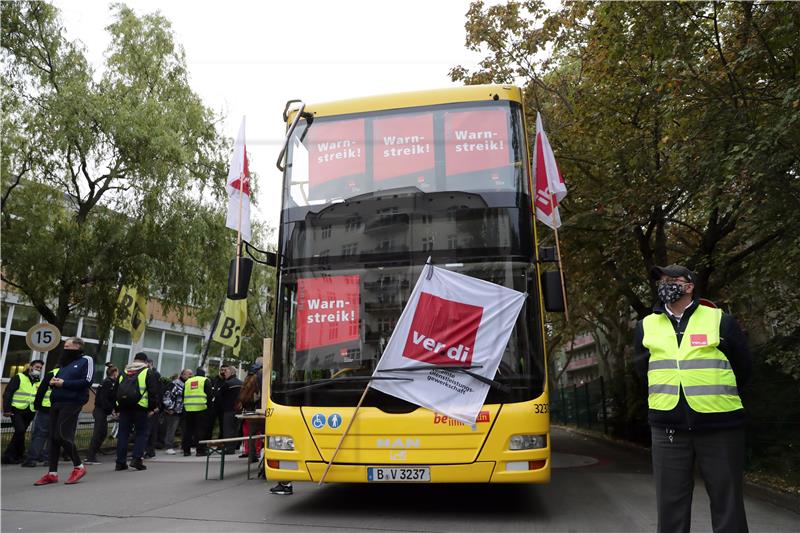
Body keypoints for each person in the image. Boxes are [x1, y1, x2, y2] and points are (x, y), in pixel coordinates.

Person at [634, 264, 752, 533]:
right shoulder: (645, 326)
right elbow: (644, 372)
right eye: (662, 280)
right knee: (670, 506)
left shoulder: (720, 320)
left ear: (689, 286)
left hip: (721, 427)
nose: (665, 284)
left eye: (672, 279)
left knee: (728, 503)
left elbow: (743, 368)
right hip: (668, 429)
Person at [34, 338, 93, 485]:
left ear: (77, 346)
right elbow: (59, 380)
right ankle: (52, 473)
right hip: (56, 401)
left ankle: (79, 466)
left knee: (60, 435)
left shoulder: (86, 360)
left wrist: (64, 383)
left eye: (67, 346)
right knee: (53, 437)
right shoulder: (65, 363)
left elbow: (87, 381)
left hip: (72, 402)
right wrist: (53, 383)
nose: (64, 348)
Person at [114, 352, 159, 471]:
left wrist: (117, 409)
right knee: (142, 433)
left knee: (123, 434)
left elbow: (116, 391)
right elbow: (153, 393)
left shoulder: (124, 372)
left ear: (134, 360)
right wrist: (151, 408)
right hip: (140, 408)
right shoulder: (147, 372)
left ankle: (120, 462)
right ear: (145, 362)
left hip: (124, 407)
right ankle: (136, 459)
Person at [2, 360, 44, 464]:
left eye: (40, 368)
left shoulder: (38, 380)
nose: (38, 369)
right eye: (37, 367)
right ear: (30, 367)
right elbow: (8, 393)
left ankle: (9, 456)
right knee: (20, 431)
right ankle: (19, 454)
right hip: (17, 409)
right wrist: (7, 409)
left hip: (30, 411)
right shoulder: (19, 377)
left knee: (19, 433)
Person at [23, 364, 60, 467]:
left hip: (45, 409)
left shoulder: (52, 373)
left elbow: (41, 390)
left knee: (39, 435)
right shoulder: (70, 374)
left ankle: (31, 459)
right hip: (60, 410)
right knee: (53, 435)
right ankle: (48, 459)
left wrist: (37, 405)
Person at [84, 364, 119, 464]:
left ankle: (92, 454)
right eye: (117, 372)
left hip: (102, 411)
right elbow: (104, 399)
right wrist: (111, 410)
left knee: (102, 433)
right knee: (98, 433)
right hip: (100, 411)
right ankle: (90, 457)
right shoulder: (107, 383)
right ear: (114, 373)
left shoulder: (110, 383)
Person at [182, 368, 211, 457]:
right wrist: (209, 408)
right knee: (200, 430)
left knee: (188, 430)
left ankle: (186, 451)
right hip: (201, 408)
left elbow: (183, 394)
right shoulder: (205, 380)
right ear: (204, 374)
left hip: (188, 408)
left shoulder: (188, 381)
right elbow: (209, 395)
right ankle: (200, 450)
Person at [162, 368, 192, 455]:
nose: (191, 376)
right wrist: (170, 408)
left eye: (191, 374)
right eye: (189, 374)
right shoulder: (174, 384)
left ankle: (184, 446)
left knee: (185, 430)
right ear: (182, 375)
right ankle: (168, 446)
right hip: (174, 411)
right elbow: (167, 396)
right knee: (171, 429)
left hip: (185, 410)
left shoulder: (188, 384)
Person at [238, 360, 263, 460]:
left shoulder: (249, 375)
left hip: (246, 405)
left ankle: (247, 450)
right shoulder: (260, 374)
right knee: (256, 430)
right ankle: (256, 451)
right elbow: (259, 392)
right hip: (255, 406)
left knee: (247, 429)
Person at [219, 366, 242, 454]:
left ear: (231, 373)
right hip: (238, 410)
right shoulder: (241, 382)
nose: (225, 373)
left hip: (228, 409)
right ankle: (233, 447)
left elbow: (220, 396)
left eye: (226, 372)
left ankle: (228, 449)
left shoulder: (227, 383)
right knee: (236, 429)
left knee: (228, 430)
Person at [144, 357, 163, 458]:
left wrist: (156, 407)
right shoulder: (152, 374)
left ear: (149, 364)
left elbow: (156, 392)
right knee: (149, 430)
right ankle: (149, 450)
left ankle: (149, 451)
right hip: (150, 406)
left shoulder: (154, 374)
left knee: (150, 430)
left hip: (152, 407)